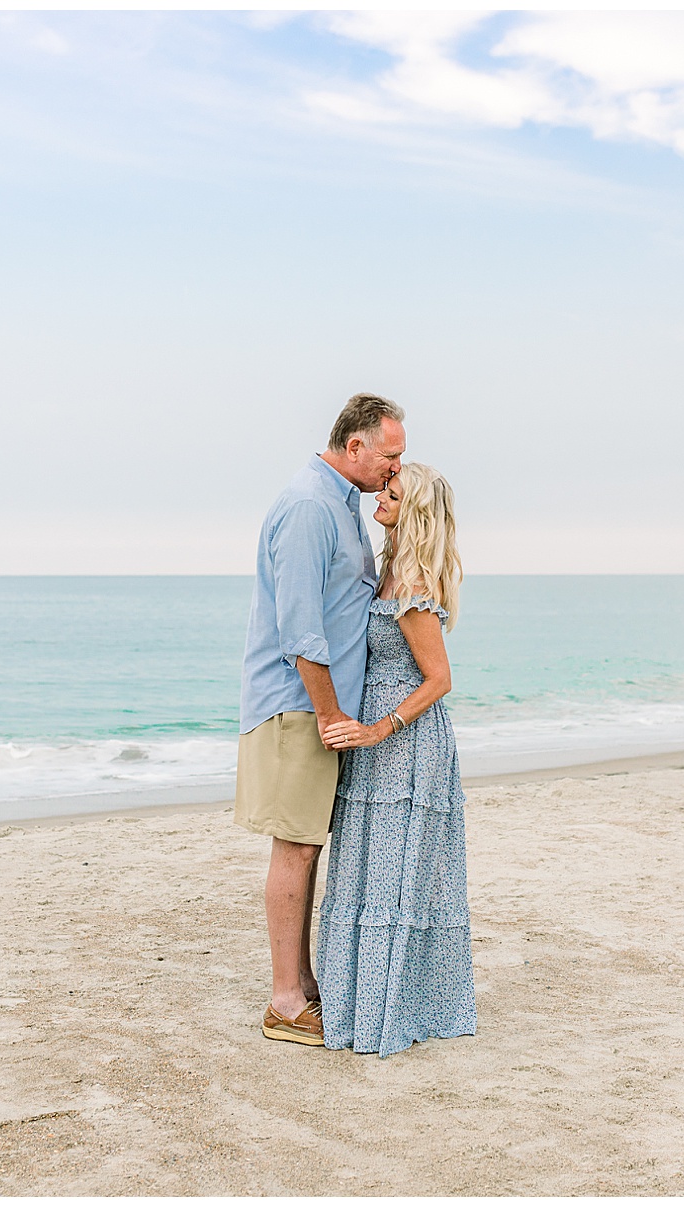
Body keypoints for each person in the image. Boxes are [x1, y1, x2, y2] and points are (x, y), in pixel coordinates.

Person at [237, 392, 406, 1047]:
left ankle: (302, 982)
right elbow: (301, 630)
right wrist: (332, 712)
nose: (395, 468)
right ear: (354, 445)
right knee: (296, 844)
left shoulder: (340, 505)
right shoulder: (311, 507)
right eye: (390, 455)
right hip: (297, 704)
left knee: (306, 843)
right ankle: (284, 1000)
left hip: (315, 704)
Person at [315, 462, 475, 1057]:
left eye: (392, 492)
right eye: (384, 485)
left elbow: (440, 679)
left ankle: (394, 1006)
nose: (380, 495)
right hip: (373, 741)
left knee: (398, 873)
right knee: (367, 867)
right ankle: (361, 999)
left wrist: (381, 727)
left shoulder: (410, 584)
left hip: (405, 742)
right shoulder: (386, 569)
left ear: (415, 510)